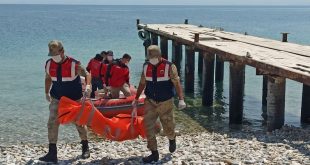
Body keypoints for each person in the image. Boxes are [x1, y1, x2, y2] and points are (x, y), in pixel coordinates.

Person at [40, 40, 92, 163]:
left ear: (62, 51)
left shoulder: (74, 64)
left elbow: (87, 74)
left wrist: (88, 86)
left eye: (56, 54)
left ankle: (85, 147)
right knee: (52, 123)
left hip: (74, 99)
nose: (54, 57)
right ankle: (52, 153)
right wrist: (46, 92)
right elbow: (48, 78)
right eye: (52, 55)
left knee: (79, 123)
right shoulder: (48, 64)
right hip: (57, 98)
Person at [132, 45, 186, 163]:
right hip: (150, 101)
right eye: (150, 58)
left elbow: (177, 83)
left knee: (168, 126)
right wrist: (136, 98)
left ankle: (172, 138)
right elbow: (142, 83)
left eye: (155, 58)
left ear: (160, 56)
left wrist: (181, 99)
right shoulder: (146, 66)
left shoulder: (169, 66)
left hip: (165, 102)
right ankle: (154, 153)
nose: (153, 60)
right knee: (148, 127)